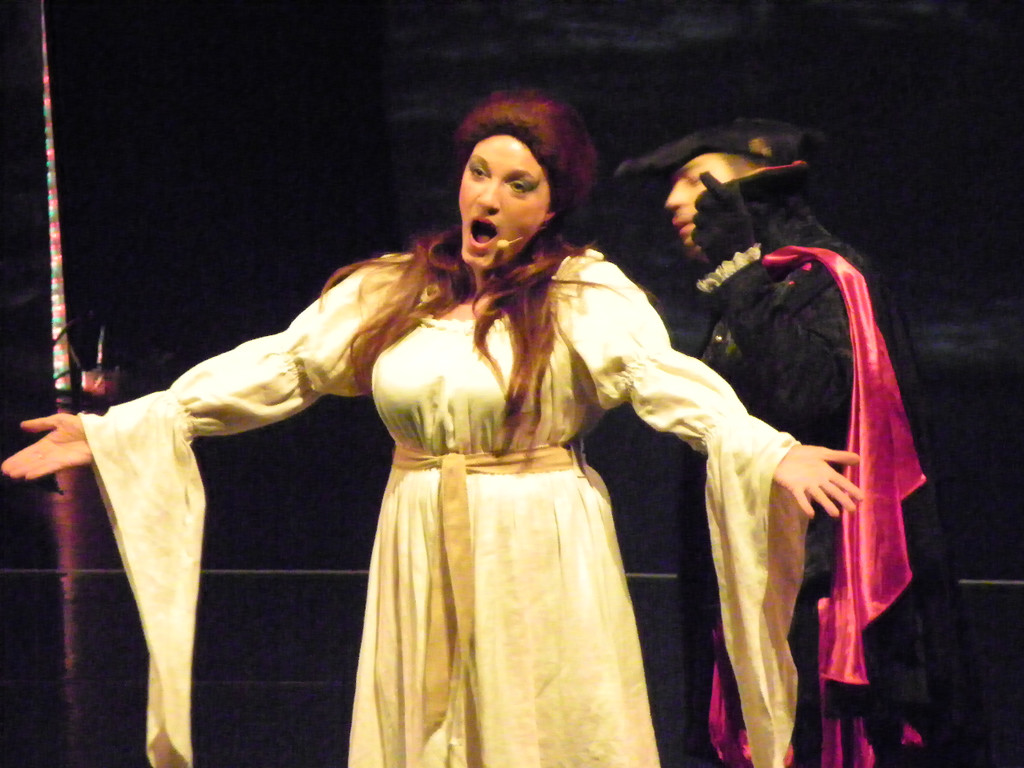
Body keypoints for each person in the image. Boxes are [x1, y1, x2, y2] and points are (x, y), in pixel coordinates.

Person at [2, 94, 863, 768]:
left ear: (552, 205)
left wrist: (766, 449)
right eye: (480, 173)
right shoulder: (395, 288)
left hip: (536, 539)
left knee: (542, 720)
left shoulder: (584, 295)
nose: (489, 197)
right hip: (418, 532)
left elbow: (659, 378)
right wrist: (125, 428)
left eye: (519, 185)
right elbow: (286, 365)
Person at [616, 119, 991, 768]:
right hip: (757, 563)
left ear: (754, 189)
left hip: (824, 576)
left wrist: (741, 277)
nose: (673, 202)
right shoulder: (756, 284)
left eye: (694, 181)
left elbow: (806, 394)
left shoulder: (827, 277)